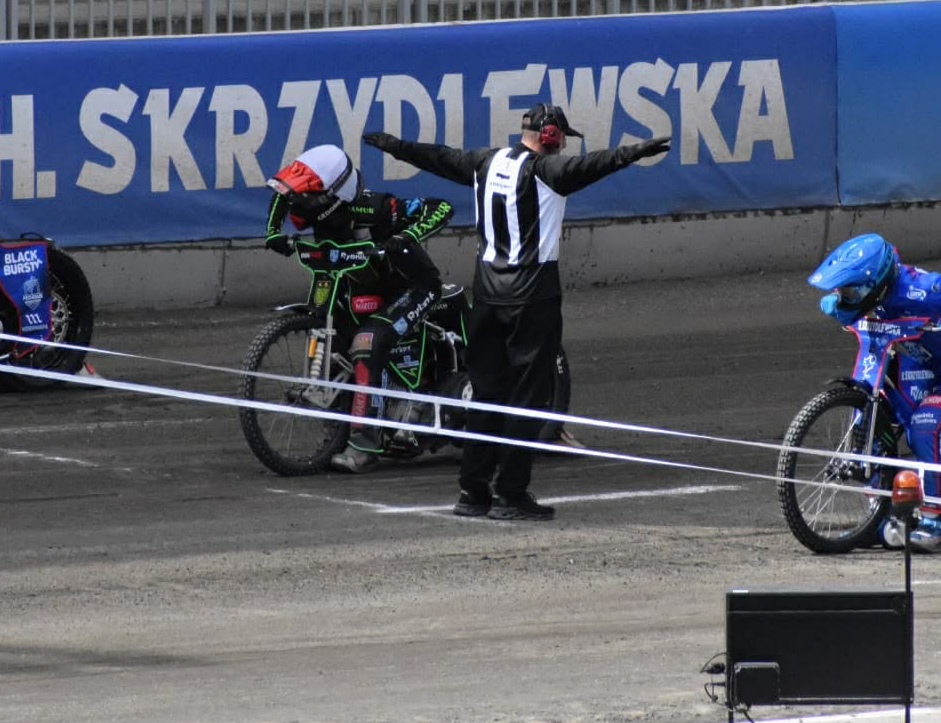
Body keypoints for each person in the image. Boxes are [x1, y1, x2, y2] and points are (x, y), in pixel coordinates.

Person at [364, 104, 670, 521]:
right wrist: (634, 152)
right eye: (561, 136)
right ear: (549, 135)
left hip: (487, 297)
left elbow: (433, 156)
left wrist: (395, 147)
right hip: (533, 296)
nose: (563, 144)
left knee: (487, 396)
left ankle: (472, 492)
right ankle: (510, 494)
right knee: (528, 397)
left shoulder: (483, 162)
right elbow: (594, 165)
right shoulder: (548, 171)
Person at [263, 144, 453, 473]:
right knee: (328, 329)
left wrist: (404, 237)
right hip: (358, 285)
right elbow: (282, 195)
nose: (300, 207)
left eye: (310, 197)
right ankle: (341, 423)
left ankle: (365, 444)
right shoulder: (313, 204)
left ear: (334, 194)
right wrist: (272, 233)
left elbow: (441, 207)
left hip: (413, 287)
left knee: (367, 342)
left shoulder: (376, 208)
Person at [808, 233, 941, 552]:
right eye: (843, 290)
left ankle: (940, 521)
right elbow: (855, 311)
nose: (846, 297)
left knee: (927, 422)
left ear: (878, 283)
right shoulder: (873, 295)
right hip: (917, 361)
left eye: (851, 290)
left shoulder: (923, 289)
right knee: (881, 419)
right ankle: (879, 513)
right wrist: (840, 303)